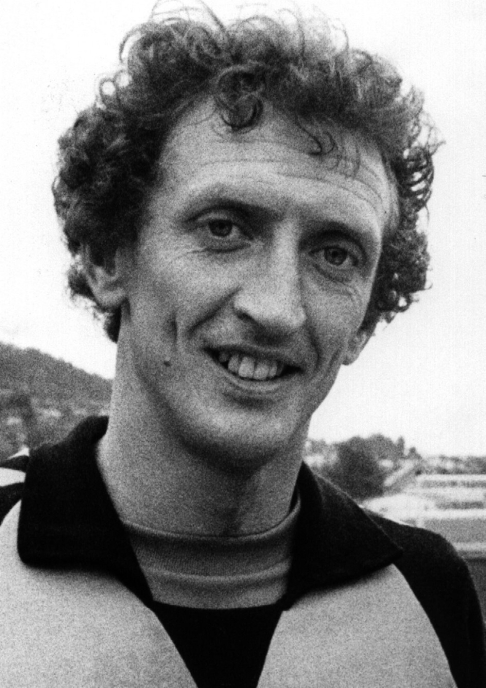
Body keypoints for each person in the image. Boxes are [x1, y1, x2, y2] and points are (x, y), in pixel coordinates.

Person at [0, 4, 484, 687]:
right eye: (224, 228)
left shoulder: (429, 596)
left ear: (366, 321)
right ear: (108, 256)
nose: (278, 308)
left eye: (335, 254)